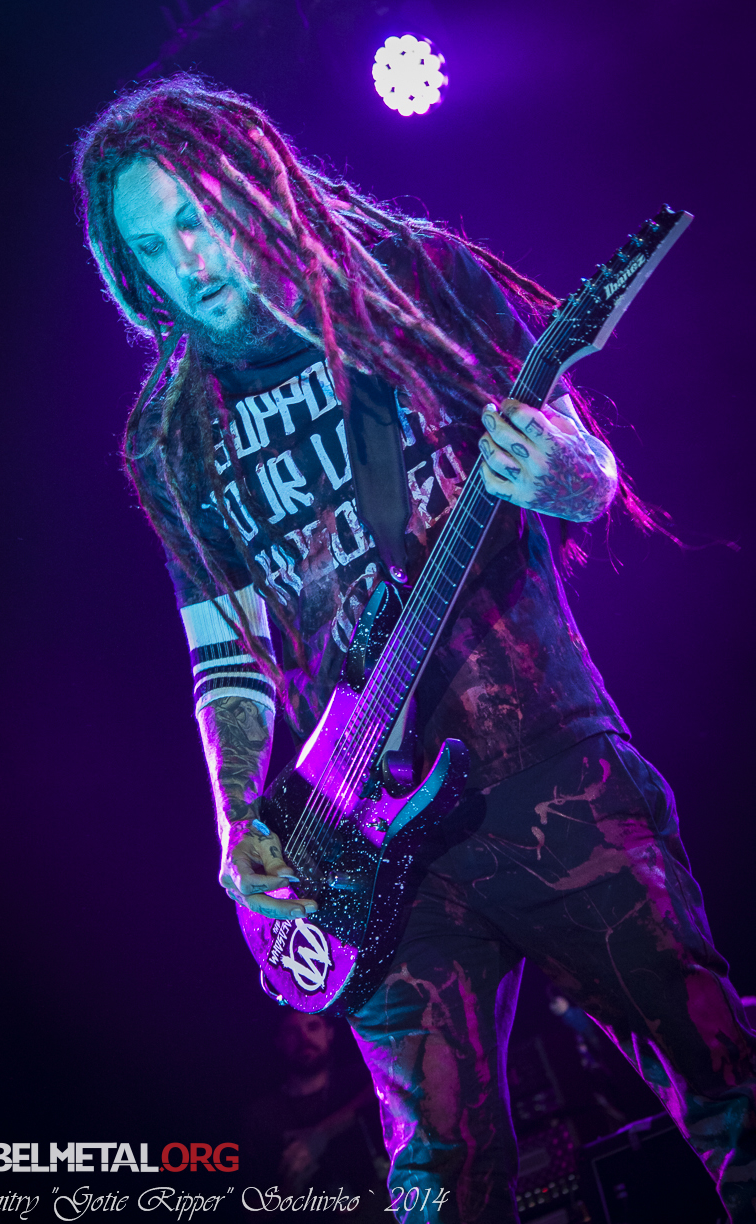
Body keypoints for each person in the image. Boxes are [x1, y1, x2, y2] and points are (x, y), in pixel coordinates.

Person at [73, 75, 756, 1222]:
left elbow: (584, 469)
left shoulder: (416, 283)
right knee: (437, 1182)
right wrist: (238, 820)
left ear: (260, 184)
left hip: (543, 767)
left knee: (721, 1073)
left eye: (197, 218)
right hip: (359, 838)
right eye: (150, 246)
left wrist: (568, 475)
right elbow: (223, 650)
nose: (186, 264)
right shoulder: (169, 432)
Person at [243, 1010, 389, 1216]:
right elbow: (251, 1210)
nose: (305, 1038)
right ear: (279, 1041)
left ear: (329, 1032)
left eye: (313, 1027)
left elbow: (394, 1087)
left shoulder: (360, 1081)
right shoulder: (262, 1115)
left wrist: (323, 1132)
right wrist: (287, 1192)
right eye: (292, 1031)